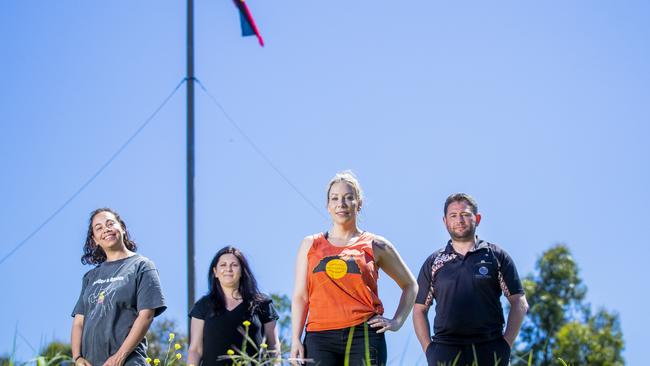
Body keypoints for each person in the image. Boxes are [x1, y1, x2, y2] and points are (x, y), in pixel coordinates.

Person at [290, 171, 417, 366]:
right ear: (328, 206)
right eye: (335, 198)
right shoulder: (310, 244)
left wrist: (396, 322)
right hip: (319, 338)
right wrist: (295, 339)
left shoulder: (376, 244)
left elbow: (410, 285)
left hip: (364, 335)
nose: (341, 204)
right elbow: (301, 297)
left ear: (359, 204)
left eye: (349, 198)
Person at [412, 193, 529, 366]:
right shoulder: (434, 262)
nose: (459, 220)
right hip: (445, 350)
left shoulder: (496, 256)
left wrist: (506, 344)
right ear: (445, 221)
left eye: (465, 214)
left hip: (490, 348)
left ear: (478, 218)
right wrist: (429, 350)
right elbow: (419, 310)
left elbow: (519, 302)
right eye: (453, 215)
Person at [71, 208, 166, 366]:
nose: (106, 229)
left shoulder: (142, 265)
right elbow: (79, 322)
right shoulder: (90, 277)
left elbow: (146, 316)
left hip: (128, 362)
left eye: (110, 223)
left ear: (122, 227)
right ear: (94, 240)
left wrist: (120, 357)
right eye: (99, 228)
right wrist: (77, 358)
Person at [187, 246, 280, 366]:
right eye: (223, 265)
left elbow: (273, 346)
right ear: (215, 272)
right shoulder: (202, 305)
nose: (228, 269)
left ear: (242, 271)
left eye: (234, 265)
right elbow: (195, 350)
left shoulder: (263, 303)